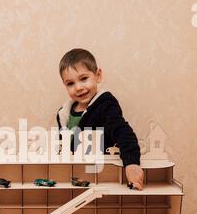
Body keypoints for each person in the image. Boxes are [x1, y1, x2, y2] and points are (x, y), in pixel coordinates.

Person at [56, 48, 144, 190]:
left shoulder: (106, 105)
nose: (78, 87)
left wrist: (131, 163)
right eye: (70, 83)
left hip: (103, 176)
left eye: (84, 79)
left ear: (98, 75)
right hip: (77, 177)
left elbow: (122, 131)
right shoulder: (63, 114)